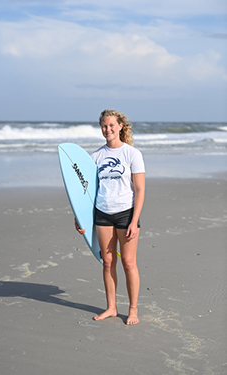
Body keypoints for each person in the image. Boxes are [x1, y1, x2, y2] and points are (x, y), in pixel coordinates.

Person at [75, 109, 145, 325]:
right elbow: (84, 191)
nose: (108, 129)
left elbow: (140, 190)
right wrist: (79, 217)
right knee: (107, 262)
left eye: (111, 125)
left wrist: (134, 221)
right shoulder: (95, 157)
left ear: (120, 126)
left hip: (126, 213)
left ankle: (132, 309)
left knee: (129, 263)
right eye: (104, 126)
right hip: (102, 213)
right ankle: (112, 307)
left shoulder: (132, 154)